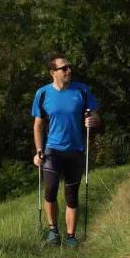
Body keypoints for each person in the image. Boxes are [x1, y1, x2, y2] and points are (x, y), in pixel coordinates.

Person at [32, 53, 100, 247]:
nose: (69, 70)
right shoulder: (43, 93)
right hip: (52, 149)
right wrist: (38, 150)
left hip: (76, 149)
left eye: (69, 67)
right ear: (53, 72)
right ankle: (53, 231)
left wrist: (93, 120)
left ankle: (71, 236)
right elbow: (37, 125)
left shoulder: (82, 91)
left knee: (72, 194)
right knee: (51, 189)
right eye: (64, 68)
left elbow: (96, 116)